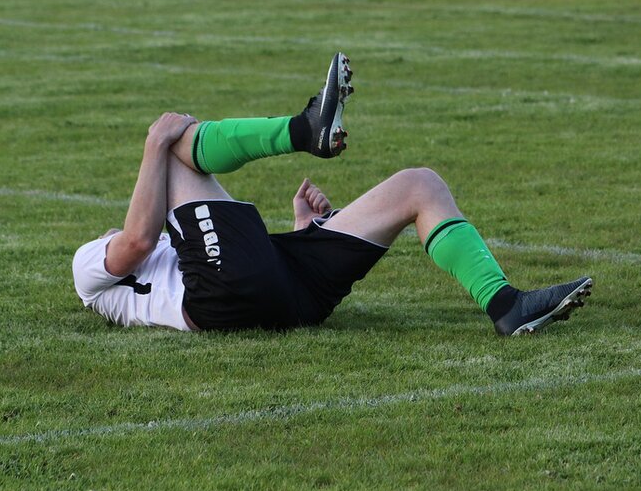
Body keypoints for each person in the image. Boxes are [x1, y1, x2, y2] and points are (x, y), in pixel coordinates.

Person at [73, 53, 593, 335]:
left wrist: (303, 231)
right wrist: (152, 142)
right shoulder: (86, 268)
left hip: (291, 298)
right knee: (174, 147)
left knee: (420, 185)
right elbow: (138, 240)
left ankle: (506, 305)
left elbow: (237, 263)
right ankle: (305, 130)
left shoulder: (181, 251)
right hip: (217, 300)